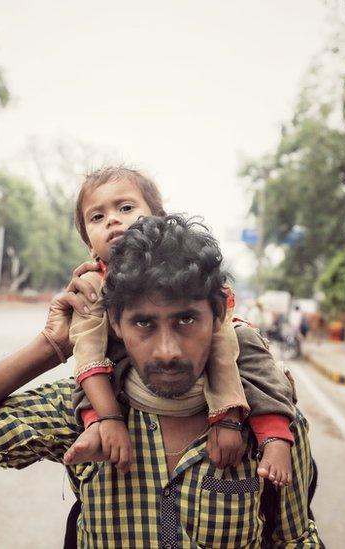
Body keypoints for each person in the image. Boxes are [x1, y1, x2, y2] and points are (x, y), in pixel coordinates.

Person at [0, 215, 322, 548]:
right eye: (144, 323)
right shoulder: (81, 415)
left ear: (219, 317)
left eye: (187, 319)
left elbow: (294, 538)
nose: (167, 349)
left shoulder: (271, 424)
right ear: (115, 324)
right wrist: (50, 346)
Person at [63, 166, 295, 486]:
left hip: (222, 362)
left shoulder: (185, 268)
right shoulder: (89, 286)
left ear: (157, 218)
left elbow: (222, 341)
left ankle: (274, 434)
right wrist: (107, 417)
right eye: (97, 217)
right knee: (87, 369)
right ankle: (93, 426)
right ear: (89, 242)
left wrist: (227, 419)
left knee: (245, 345)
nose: (112, 220)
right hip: (109, 379)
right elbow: (87, 353)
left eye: (125, 208)